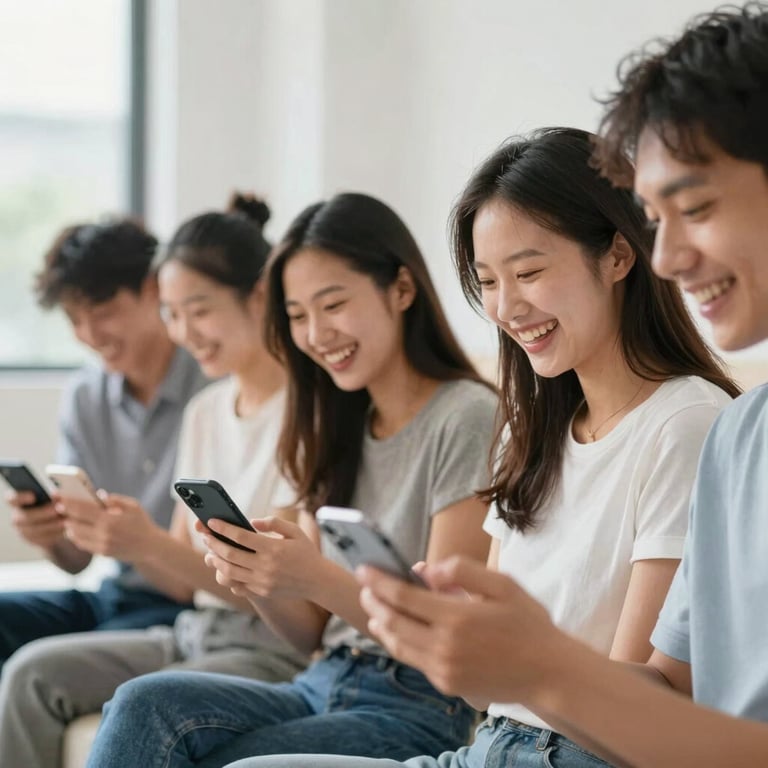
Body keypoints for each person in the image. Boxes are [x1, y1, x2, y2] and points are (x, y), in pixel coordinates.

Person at [227, 6, 768, 768]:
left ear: (616, 258)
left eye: (530, 271)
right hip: (494, 740)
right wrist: (452, 629)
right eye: (488, 282)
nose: (506, 307)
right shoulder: (698, 434)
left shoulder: (692, 423)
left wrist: (526, 661)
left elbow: (654, 704)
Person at [84, 192, 498, 768]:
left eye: (332, 305)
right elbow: (308, 635)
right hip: (320, 677)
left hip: (419, 704)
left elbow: (443, 631)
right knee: (141, 704)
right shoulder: (333, 421)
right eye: (298, 316)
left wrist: (319, 577)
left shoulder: (467, 416)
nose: (316, 334)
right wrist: (262, 577)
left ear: (402, 290)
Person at [0, 195, 310, 767]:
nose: (187, 333)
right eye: (177, 314)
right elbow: (179, 569)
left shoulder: (307, 411)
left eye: (199, 310)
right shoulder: (207, 410)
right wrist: (61, 532)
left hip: (243, 634)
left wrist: (142, 543)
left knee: (139, 700)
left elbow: (289, 600)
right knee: (29, 673)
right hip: (184, 622)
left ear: (259, 296)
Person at [0, 219, 207, 666]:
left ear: (153, 290)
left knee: (45, 661)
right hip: (115, 596)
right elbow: (76, 559)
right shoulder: (86, 395)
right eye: (75, 319)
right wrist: (51, 536)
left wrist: (139, 542)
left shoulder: (211, 387)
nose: (91, 335)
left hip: (187, 609)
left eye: (102, 310)